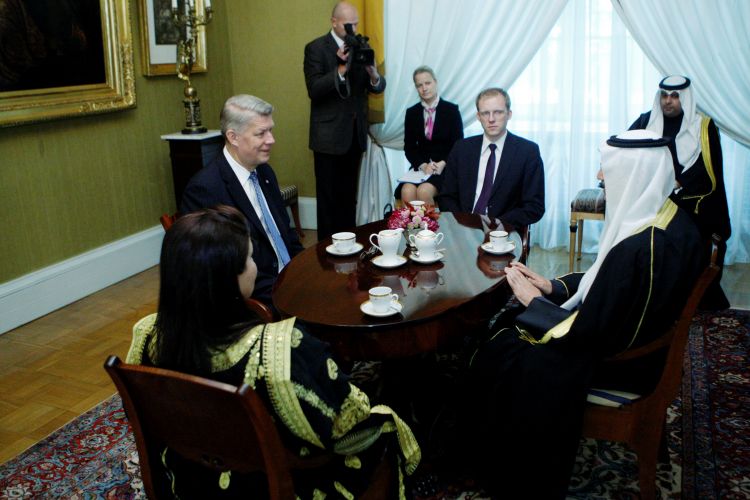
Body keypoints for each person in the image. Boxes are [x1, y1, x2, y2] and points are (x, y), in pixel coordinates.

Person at [457, 130, 704, 498]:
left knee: (504, 347)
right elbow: (607, 282)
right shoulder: (664, 218)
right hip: (635, 342)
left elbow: (597, 332)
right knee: (510, 326)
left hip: (624, 362)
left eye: (605, 169)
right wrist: (551, 287)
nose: (600, 176)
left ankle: (495, 469)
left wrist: (534, 303)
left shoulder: (643, 246)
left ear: (634, 173)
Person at [126, 205, 420, 499]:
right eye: (250, 258)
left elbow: (144, 415)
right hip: (276, 484)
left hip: (192, 480)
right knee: (386, 425)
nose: (255, 267)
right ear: (227, 278)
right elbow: (350, 429)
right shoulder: (280, 349)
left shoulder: (148, 335)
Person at [180, 94, 303, 306]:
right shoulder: (205, 189)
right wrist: (290, 291)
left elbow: (286, 233)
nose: (271, 140)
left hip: (290, 278)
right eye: (261, 133)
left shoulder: (264, 172)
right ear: (233, 137)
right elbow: (221, 270)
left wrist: (306, 269)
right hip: (259, 294)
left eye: (270, 130)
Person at [629, 75, 731, 309]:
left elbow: (709, 167)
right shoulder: (646, 121)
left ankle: (683, 298)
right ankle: (644, 294)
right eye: (664, 95)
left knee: (681, 234)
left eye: (675, 96)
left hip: (691, 199)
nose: (668, 101)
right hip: (652, 196)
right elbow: (624, 147)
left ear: (685, 98)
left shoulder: (703, 127)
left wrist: (677, 182)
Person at [303, 1, 386, 241]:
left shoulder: (361, 46)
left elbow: (378, 86)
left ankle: (349, 247)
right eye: (349, 25)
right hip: (328, 138)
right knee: (329, 201)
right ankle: (325, 254)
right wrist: (340, 69)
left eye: (356, 24)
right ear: (334, 22)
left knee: (349, 199)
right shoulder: (316, 48)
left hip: (354, 135)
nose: (353, 29)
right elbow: (314, 89)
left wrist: (373, 74)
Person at [440, 87, 545, 232]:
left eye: (498, 112)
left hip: (504, 230)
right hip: (463, 228)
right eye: (485, 113)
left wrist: (498, 224)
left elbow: (535, 206)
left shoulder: (527, 152)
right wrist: (463, 223)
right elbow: (446, 196)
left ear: (509, 114)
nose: (491, 119)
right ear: (478, 116)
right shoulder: (461, 149)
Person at [396, 66, 464, 205]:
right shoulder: (412, 112)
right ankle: (413, 221)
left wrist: (442, 163)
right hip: (421, 168)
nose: (424, 88)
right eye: (419, 85)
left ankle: (429, 221)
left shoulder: (451, 110)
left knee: (424, 191)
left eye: (427, 83)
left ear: (435, 82)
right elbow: (409, 147)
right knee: (406, 191)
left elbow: (458, 145)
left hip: (444, 167)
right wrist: (423, 165)